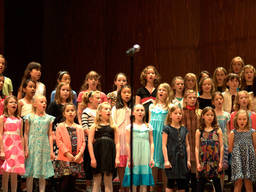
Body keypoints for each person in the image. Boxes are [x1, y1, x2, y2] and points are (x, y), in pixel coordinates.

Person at [24, 95, 55, 192]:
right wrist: (26, 148)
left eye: (45, 102)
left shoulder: (48, 118)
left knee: (43, 172)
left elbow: (50, 134)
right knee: (30, 172)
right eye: (41, 102)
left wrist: (51, 150)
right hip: (32, 146)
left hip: (44, 147)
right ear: (34, 104)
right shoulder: (29, 117)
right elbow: (26, 134)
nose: (44, 104)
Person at [88, 102, 120, 192]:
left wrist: (117, 158)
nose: (108, 110)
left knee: (108, 180)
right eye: (106, 109)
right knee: (97, 181)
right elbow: (90, 143)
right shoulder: (94, 126)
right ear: (99, 112)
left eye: (109, 109)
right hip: (98, 153)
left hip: (109, 154)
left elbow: (117, 143)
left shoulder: (114, 127)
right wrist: (92, 158)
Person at [122, 104, 154, 191]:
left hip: (145, 156)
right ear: (133, 113)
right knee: (133, 183)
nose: (140, 112)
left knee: (144, 183)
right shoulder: (129, 127)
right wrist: (129, 159)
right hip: (134, 156)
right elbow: (128, 144)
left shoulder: (148, 126)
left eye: (142, 110)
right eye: (137, 110)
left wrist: (151, 158)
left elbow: (151, 143)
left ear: (144, 113)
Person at [55, 103, 85, 192]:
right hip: (65, 158)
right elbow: (59, 141)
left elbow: (83, 142)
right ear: (64, 114)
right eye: (68, 111)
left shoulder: (79, 127)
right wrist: (67, 154)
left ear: (75, 113)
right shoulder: (60, 126)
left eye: (72, 110)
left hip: (76, 158)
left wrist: (80, 154)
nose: (70, 113)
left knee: (73, 180)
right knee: (65, 180)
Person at [149, 83, 172, 190]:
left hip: (163, 137)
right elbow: (149, 122)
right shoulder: (151, 106)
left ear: (168, 93)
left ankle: (165, 189)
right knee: (153, 163)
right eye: (159, 90)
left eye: (164, 90)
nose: (161, 92)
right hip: (153, 137)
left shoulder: (170, 106)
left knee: (164, 165)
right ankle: (152, 189)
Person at [162, 105, 190, 192]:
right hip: (171, 159)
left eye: (180, 113)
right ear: (170, 115)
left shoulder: (184, 129)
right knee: (170, 182)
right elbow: (164, 145)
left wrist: (188, 160)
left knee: (182, 183)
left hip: (182, 159)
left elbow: (187, 145)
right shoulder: (167, 128)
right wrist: (166, 160)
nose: (178, 115)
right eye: (176, 113)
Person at [0, 96, 25, 192]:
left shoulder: (19, 119)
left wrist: (22, 150)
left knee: (14, 173)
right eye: (11, 102)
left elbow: (21, 136)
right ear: (6, 105)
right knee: (6, 172)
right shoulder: (3, 118)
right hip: (7, 147)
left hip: (16, 149)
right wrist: (2, 150)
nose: (14, 104)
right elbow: (1, 134)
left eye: (15, 102)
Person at [195, 107, 223, 192]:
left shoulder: (218, 130)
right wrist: (197, 163)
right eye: (207, 115)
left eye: (212, 115)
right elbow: (196, 147)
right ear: (203, 116)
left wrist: (221, 162)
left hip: (215, 161)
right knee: (200, 185)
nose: (210, 117)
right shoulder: (199, 131)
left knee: (217, 185)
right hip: (203, 161)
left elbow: (221, 147)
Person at [229, 110, 256, 192]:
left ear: (247, 120)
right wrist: (237, 154)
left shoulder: (252, 132)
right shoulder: (233, 133)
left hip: (249, 160)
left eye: (244, 119)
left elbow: (255, 147)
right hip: (237, 159)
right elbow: (230, 148)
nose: (242, 121)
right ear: (236, 120)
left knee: (248, 182)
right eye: (240, 119)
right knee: (238, 182)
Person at [112, 85, 132, 191]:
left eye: (129, 92)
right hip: (120, 136)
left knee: (129, 163)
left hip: (130, 137)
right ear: (120, 94)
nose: (127, 95)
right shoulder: (116, 108)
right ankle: (121, 187)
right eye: (124, 92)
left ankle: (127, 188)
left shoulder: (132, 108)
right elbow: (113, 122)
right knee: (121, 162)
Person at [81, 91, 101, 191]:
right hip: (90, 142)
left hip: (99, 142)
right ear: (91, 99)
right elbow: (85, 127)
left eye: (100, 98)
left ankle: (97, 186)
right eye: (97, 98)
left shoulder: (100, 111)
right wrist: (93, 138)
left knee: (98, 165)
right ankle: (89, 186)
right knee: (89, 164)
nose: (99, 100)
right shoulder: (86, 111)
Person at [182, 89, 201, 192]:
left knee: (195, 174)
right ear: (185, 99)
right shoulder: (181, 112)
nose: (192, 100)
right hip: (185, 146)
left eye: (194, 98)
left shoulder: (199, 112)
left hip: (196, 146)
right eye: (190, 97)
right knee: (185, 174)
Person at [212, 92, 230, 190]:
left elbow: (227, 131)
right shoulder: (211, 113)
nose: (219, 101)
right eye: (217, 99)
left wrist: (228, 144)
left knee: (222, 168)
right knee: (214, 169)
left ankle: (221, 188)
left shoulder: (227, 114)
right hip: (214, 143)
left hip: (224, 144)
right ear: (213, 102)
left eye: (220, 99)